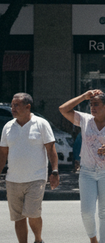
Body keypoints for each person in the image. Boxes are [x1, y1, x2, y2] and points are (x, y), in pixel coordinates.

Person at [59, 90, 105, 243]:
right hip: (87, 172)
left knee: (104, 212)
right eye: (91, 104)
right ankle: (93, 240)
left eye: (96, 104)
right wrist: (84, 96)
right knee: (86, 212)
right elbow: (63, 109)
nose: (93, 107)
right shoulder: (85, 120)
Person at [0, 93, 59, 243]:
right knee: (18, 217)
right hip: (13, 179)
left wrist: (55, 171)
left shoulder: (41, 124)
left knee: (33, 213)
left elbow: (51, 149)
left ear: (28, 107)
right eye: (12, 105)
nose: (13, 108)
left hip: (36, 178)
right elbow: (3, 154)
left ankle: (38, 239)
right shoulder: (8, 127)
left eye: (16, 105)